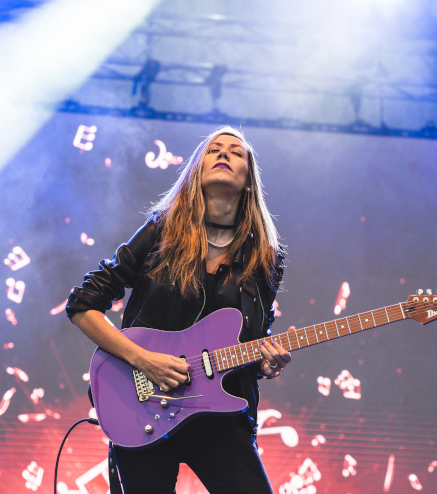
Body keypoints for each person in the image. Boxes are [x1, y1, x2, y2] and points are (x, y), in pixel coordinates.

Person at [65, 126, 290, 493]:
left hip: (221, 418)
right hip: (143, 406)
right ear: (196, 171)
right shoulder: (161, 231)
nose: (223, 153)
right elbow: (82, 304)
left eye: (236, 151)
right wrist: (143, 359)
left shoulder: (266, 256)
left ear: (250, 179)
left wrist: (266, 362)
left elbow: (253, 335)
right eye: (213, 149)